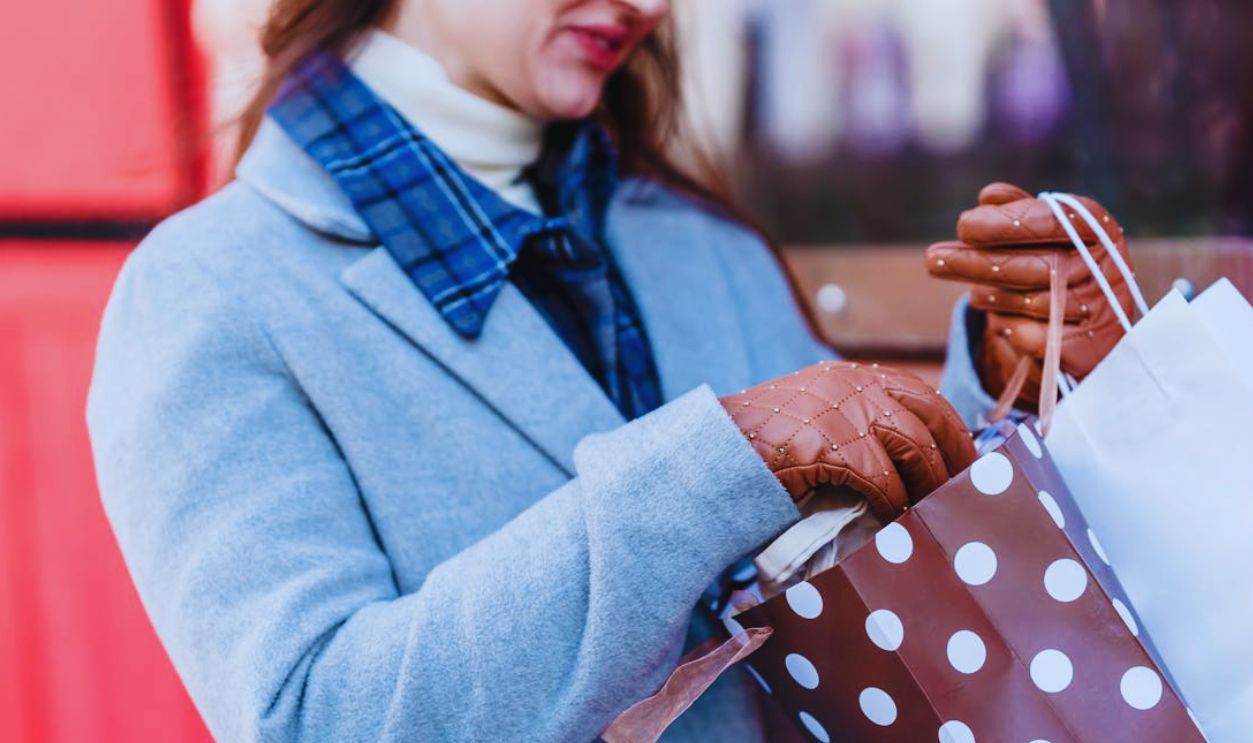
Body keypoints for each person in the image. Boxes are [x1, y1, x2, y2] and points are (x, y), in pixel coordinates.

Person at [85, 0, 1132, 740]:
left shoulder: (695, 243)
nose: (648, 7)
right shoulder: (207, 291)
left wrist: (1013, 371)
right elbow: (312, 719)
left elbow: (853, 585)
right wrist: (714, 462)